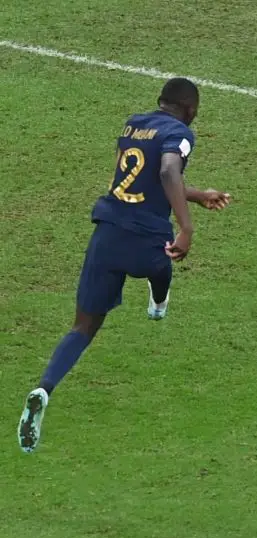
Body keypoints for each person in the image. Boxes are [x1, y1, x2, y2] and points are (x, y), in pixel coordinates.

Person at [18, 77, 232, 453]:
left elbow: (145, 177)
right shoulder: (181, 133)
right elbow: (167, 172)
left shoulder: (134, 124)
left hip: (107, 234)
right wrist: (186, 227)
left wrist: (197, 195)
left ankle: (43, 389)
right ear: (191, 109)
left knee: (83, 327)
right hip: (145, 236)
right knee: (166, 261)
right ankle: (159, 304)